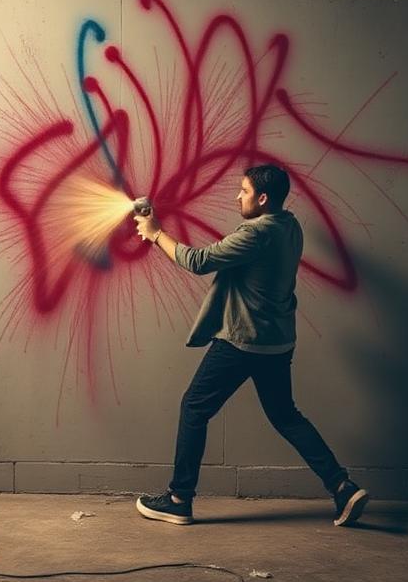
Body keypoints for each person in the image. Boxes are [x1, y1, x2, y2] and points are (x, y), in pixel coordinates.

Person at [132, 165, 369, 527]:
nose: (237, 197)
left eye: (243, 191)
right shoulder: (290, 225)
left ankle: (179, 499)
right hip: (277, 342)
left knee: (194, 408)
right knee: (286, 416)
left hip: (243, 342)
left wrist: (155, 233)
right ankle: (342, 487)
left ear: (262, 199)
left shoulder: (256, 233)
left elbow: (197, 261)